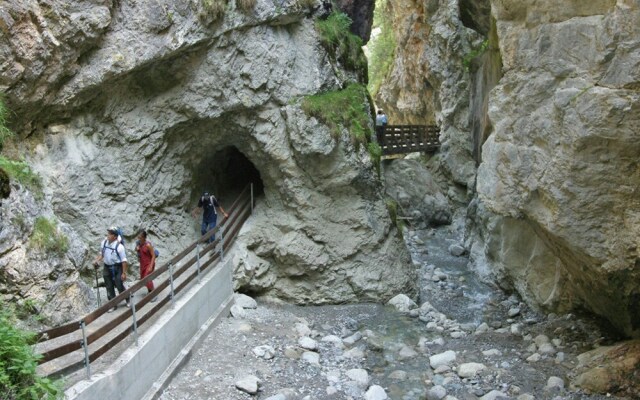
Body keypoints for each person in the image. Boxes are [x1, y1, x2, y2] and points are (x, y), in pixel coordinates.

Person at [93, 226, 129, 312]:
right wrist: (96, 261)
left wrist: (124, 273)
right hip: (107, 267)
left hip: (117, 267)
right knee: (109, 286)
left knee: (119, 285)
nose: (108, 235)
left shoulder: (119, 247)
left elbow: (124, 261)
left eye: (110, 233)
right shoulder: (104, 243)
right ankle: (112, 304)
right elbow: (102, 254)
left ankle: (127, 298)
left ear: (115, 236)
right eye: (108, 233)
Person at [135, 230, 157, 302]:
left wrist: (151, 266)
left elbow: (153, 255)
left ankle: (153, 294)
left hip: (149, 263)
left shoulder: (148, 245)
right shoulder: (138, 244)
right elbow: (137, 251)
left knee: (148, 278)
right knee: (144, 279)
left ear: (144, 238)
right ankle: (149, 291)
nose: (139, 238)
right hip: (143, 264)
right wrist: (137, 249)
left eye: (140, 237)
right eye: (138, 237)